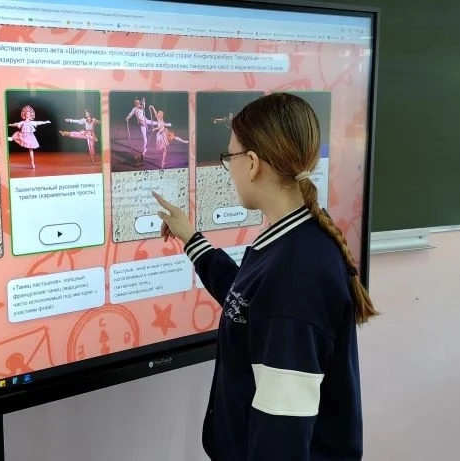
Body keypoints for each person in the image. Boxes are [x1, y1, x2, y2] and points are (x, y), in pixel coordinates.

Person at [153, 92, 377, 461]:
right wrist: (192, 240)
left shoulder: (296, 274)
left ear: (254, 164)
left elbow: (283, 432)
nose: (230, 168)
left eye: (231, 157)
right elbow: (248, 303)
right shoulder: (296, 240)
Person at [8, 105, 51, 169]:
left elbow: (39, 122)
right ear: (25, 115)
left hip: (30, 136)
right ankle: (4, 138)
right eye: (26, 114)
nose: (28, 115)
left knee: (31, 149)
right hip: (22, 135)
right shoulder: (22, 122)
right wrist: (10, 124)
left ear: (30, 115)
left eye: (29, 114)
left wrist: (45, 122)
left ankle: (32, 162)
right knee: (12, 138)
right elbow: (16, 124)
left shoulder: (31, 122)